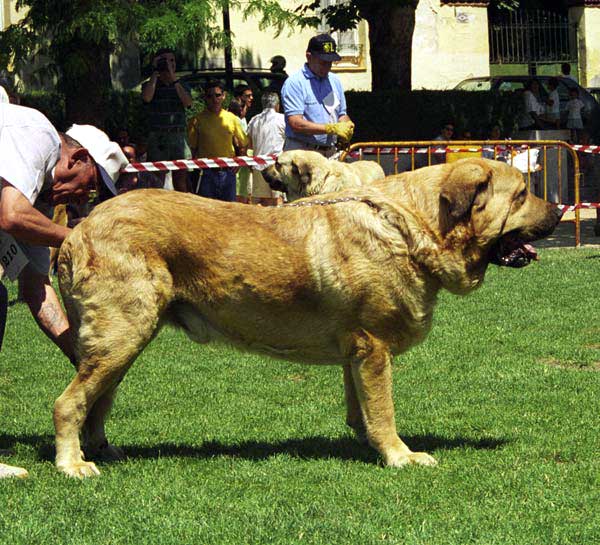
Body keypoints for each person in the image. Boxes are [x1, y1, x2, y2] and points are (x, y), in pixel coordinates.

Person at [0, 103, 127, 479]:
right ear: (78, 157)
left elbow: (37, 288)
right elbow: (10, 215)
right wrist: (79, 237)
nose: (83, 199)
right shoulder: (34, 129)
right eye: (90, 185)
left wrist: (85, 359)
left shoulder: (32, 195)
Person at [281, 33, 354, 158]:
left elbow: (339, 114)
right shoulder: (295, 83)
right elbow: (296, 123)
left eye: (330, 63)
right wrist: (330, 128)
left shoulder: (333, 81)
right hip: (302, 152)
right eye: (323, 63)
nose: (327, 68)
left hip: (330, 152)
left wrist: (347, 124)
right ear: (309, 57)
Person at [141, 48, 193, 192]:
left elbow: (188, 102)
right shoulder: (150, 83)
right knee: (157, 181)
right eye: (165, 60)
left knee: (180, 181)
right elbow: (147, 97)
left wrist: (174, 79)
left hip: (178, 136)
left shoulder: (181, 84)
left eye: (172, 60)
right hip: (158, 137)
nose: (169, 64)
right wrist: (154, 74)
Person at [187, 80, 248, 201]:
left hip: (228, 173)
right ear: (205, 97)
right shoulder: (196, 120)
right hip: (206, 174)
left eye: (218, 95)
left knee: (229, 211)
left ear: (224, 96)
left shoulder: (232, 118)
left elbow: (244, 143)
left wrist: (239, 160)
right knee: (206, 212)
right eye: (210, 96)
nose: (214, 99)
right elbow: (192, 149)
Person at [247, 91, 286, 199]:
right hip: (276, 168)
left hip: (257, 165)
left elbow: (249, 145)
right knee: (277, 201)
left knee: (260, 202)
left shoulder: (254, 120)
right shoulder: (283, 120)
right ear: (277, 105)